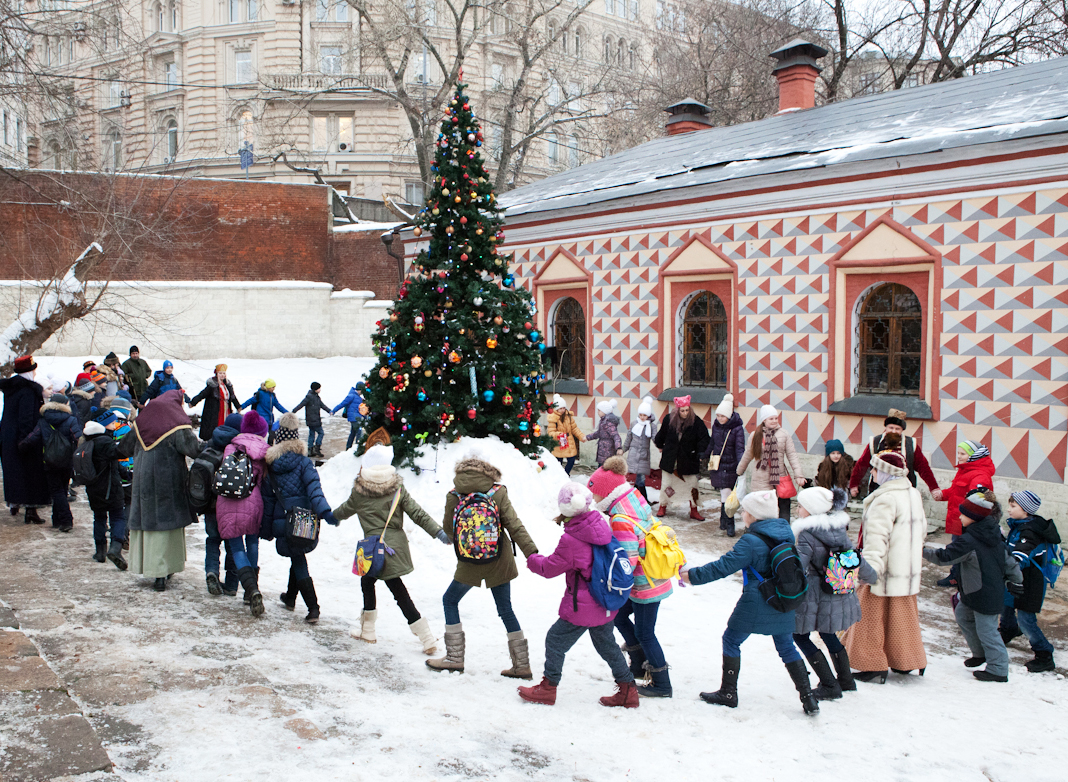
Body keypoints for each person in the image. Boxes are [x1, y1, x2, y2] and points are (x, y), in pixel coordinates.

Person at [680, 489, 819, 715]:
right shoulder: (785, 534)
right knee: (786, 647)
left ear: (753, 515)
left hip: (757, 599)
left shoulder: (751, 541)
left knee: (731, 640)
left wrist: (692, 576)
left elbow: (724, 566)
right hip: (783, 599)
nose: (742, 514)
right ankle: (809, 698)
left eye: (745, 511)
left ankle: (728, 692)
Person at [517, 482, 639, 709]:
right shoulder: (600, 525)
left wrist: (532, 559)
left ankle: (548, 688)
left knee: (555, 640)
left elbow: (549, 568)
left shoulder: (572, 539)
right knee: (607, 644)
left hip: (584, 605)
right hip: (605, 600)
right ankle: (628, 689)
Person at [427, 454, 538, 677]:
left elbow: (449, 531)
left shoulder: (454, 495)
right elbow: (514, 525)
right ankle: (522, 664)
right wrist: (532, 553)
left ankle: (454, 658)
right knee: (505, 609)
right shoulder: (497, 492)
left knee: (450, 600)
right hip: (499, 558)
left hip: (469, 560)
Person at [333, 444, 445, 654]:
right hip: (393, 547)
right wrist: (438, 532)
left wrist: (330, 517)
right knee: (385, 586)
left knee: (378, 585)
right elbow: (417, 513)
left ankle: (377, 631)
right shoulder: (397, 489)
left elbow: (344, 510)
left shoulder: (359, 491)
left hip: (371, 550)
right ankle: (421, 636)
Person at [589, 457, 674, 698]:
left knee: (646, 632)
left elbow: (627, 561)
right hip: (650, 576)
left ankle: (662, 683)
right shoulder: (634, 500)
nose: (593, 499)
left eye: (595, 493)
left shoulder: (620, 519)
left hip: (645, 584)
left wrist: (611, 584)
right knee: (619, 616)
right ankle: (637, 663)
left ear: (606, 493)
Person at [841, 449, 928, 683]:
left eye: (876, 469)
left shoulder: (885, 498)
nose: (872, 472)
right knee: (901, 618)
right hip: (905, 570)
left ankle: (871, 665)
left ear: (886, 472)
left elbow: (876, 539)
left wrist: (869, 570)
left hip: (883, 570)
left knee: (868, 618)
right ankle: (905, 661)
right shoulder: (912, 494)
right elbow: (922, 531)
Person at [924, 488, 1023, 683]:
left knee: (988, 630)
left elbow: (944, 557)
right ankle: (981, 654)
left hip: (985, 594)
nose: (960, 517)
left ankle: (998, 669)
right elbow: (1009, 561)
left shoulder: (970, 540)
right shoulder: (991, 533)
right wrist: (1016, 578)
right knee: (963, 615)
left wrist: (920, 550)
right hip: (974, 591)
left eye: (963, 514)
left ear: (974, 517)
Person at [791, 486, 876, 700]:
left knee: (799, 635)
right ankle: (846, 680)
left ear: (811, 509)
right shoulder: (838, 530)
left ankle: (829, 684)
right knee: (828, 633)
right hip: (836, 591)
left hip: (815, 595)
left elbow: (798, 567)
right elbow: (853, 556)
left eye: (800, 506)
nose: (797, 509)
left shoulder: (806, 534)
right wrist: (870, 575)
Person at [118, 389, 202, 591]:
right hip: (169, 482)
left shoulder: (141, 423)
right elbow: (195, 450)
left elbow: (123, 449)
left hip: (143, 482)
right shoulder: (177, 425)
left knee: (148, 524)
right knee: (166, 527)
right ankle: (162, 573)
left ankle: (150, 567)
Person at [261, 413, 338, 624]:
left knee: (297, 556)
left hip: (284, 519)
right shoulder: (304, 463)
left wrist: (266, 528)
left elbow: (268, 499)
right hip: (304, 518)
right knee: (298, 556)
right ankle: (302, 603)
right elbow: (315, 490)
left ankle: (302, 603)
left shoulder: (271, 465)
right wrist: (325, 511)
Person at [215, 411, 271, 616]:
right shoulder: (264, 451)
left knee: (237, 548)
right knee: (252, 543)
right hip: (253, 501)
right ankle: (251, 591)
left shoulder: (231, 446)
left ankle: (251, 589)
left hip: (228, 500)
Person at [1000, 490, 1059, 672]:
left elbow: (1021, 554)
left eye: (1013, 506)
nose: (1009, 509)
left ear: (1025, 510)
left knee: (1026, 619)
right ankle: (1008, 629)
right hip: (1017, 576)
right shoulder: (1020, 525)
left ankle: (1044, 654)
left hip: (1031, 581)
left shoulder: (1030, 531)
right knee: (1007, 603)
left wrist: (1010, 567)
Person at [935, 439, 996, 588]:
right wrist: (942, 495)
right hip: (959, 519)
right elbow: (955, 491)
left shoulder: (980, 475)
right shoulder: (965, 470)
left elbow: (977, 501)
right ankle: (956, 575)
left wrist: (970, 521)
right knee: (958, 548)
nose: (959, 456)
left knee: (961, 549)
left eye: (962, 454)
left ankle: (958, 577)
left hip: (968, 522)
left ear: (974, 455)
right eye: (958, 453)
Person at [18, 390, 82, 532]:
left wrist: (20, 446)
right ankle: (64, 520)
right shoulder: (71, 420)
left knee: (56, 491)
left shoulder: (43, 420)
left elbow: (32, 438)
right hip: (67, 460)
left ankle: (59, 519)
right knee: (62, 489)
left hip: (50, 461)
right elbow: (78, 437)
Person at [1, 356, 50, 524]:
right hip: (23, 438)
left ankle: (14, 502)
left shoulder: (11, 389)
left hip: (8, 436)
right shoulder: (28, 391)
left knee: (14, 472)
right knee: (31, 474)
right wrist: (26, 439)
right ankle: (31, 510)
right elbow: (26, 417)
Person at [848, 409, 940, 499]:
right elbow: (861, 465)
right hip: (879, 489)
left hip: (904, 490)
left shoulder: (911, 444)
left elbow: (923, 467)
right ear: (886, 427)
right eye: (891, 428)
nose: (894, 431)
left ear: (902, 430)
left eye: (897, 429)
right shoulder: (875, 443)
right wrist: (854, 484)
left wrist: (934, 488)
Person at [736, 404, 804, 522]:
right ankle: (764, 530)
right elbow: (748, 455)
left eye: (776, 418)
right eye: (771, 418)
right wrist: (739, 471)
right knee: (763, 509)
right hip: (760, 478)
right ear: (764, 420)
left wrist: (798, 475)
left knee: (783, 506)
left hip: (780, 476)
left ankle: (783, 529)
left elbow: (792, 455)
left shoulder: (784, 434)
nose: (774, 421)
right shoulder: (755, 435)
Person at [201, 412, 244, 597]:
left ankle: (212, 571)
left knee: (212, 539)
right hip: (230, 503)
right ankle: (232, 584)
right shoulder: (238, 447)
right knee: (232, 543)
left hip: (210, 503)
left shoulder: (212, 441)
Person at [653, 394, 711, 520]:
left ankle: (694, 510)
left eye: (687, 410)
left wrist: (701, 452)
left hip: (688, 459)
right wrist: (659, 445)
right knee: (667, 484)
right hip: (670, 460)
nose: (685, 413)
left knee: (692, 485)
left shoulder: (696, 422)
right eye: (682, 410)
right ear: (677, 410)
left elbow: (704, 438)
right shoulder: (669, 419)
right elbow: (661, 434)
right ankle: (663, 506)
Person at [80, 418, 128, 570]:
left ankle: (100, 551)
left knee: (99, 518)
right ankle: (116, 548)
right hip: (111, 488)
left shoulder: (86, 445)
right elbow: (117, 461)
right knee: (118, 517)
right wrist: (128, 475)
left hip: (94, 489)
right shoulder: (106, 443)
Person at [704, 393, 746, 536]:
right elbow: (712, 443)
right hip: (718, 465)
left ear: (729, 415)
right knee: (724, 493)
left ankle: (728, 522)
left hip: (731, 465)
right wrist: (705, 455)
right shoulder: (716, 426)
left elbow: (740, 449)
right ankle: (725, 521)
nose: (719, 418)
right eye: (718, 416)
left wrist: (741, 465)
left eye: (722, 416)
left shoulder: (737, 429)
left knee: (727, 494)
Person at [188, 364, 239, 441]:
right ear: (216, 374)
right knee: (215, 425)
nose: (222, 375)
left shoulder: (227, 385)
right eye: (220, 373)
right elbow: (202, 394)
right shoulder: (212, 385)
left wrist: (238, 406)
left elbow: (232, 396)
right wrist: (193, 402)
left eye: (224, 373)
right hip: (215, 410)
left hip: (226, 410)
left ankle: (223, 439)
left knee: (225, 424)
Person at [621, 396, 658, 504]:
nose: (642, 417)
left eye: (644, 415)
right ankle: (640, 499)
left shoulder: (651, 426)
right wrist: (623, 449)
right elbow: (629, 438)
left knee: (640, 478)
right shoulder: (634, 423)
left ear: (648, 415)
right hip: (633, 454)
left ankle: (639, 499)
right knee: (638, 478)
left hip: (643, 455)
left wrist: (660, 446)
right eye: (640, 415)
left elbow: (655, 438)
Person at [547, 394, 585, 475]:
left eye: (564, 408)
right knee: (558, 461)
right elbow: (550, 432)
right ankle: (560, 476)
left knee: (571, 460)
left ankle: (566, 474)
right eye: (560, 408)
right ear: (556, 409)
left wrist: (581, 436)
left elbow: (574, 428)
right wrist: (558, 434)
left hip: (569, 441)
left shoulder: (569, 416)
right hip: (559, 442)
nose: (562, 410)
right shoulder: (553, 418)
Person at [294, 382, 332, 458]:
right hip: (314, 420)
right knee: (321, 433)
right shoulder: (310, 397)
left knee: (312, 434)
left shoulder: (316, 397)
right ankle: (317, 448)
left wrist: (329, 411)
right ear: (315, 389)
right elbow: (301, 404)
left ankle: (310, 450)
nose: (320, 390)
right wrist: (293, 411)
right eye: (319, 388)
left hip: (311, 420)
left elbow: (322, 405)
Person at [332, 382, 367, 451]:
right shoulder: (351, 396)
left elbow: (361, 410)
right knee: (359, 432)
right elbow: (342, 404)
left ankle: (348, 448)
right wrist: (334, 410)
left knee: (353, 433)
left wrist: (365, 417)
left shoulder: (359, 398)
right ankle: (358, 448)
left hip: (357, 417)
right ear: (359, 390)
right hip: (353, 417)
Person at [587, 400, 622, 467]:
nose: (597, 412)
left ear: (604, 411)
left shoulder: (608, 423)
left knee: (604, 468)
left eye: (599, 410)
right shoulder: (603, 421)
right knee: (601, 468)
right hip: (603, 451)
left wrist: (619, 447)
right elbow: (599, 433)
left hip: (607, 452)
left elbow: (616, 436)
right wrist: (587, 437)